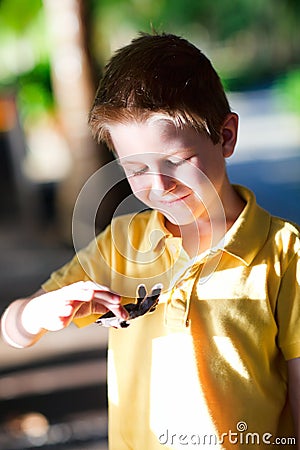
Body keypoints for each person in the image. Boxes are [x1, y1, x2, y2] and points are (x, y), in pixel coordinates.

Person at [1, 32, 300, 449]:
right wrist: (37, 313)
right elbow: (13, 329)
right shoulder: (119, 245)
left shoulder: (286, 255)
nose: (159, 185)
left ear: (226, 136)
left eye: (177, 161)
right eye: (136, 168)